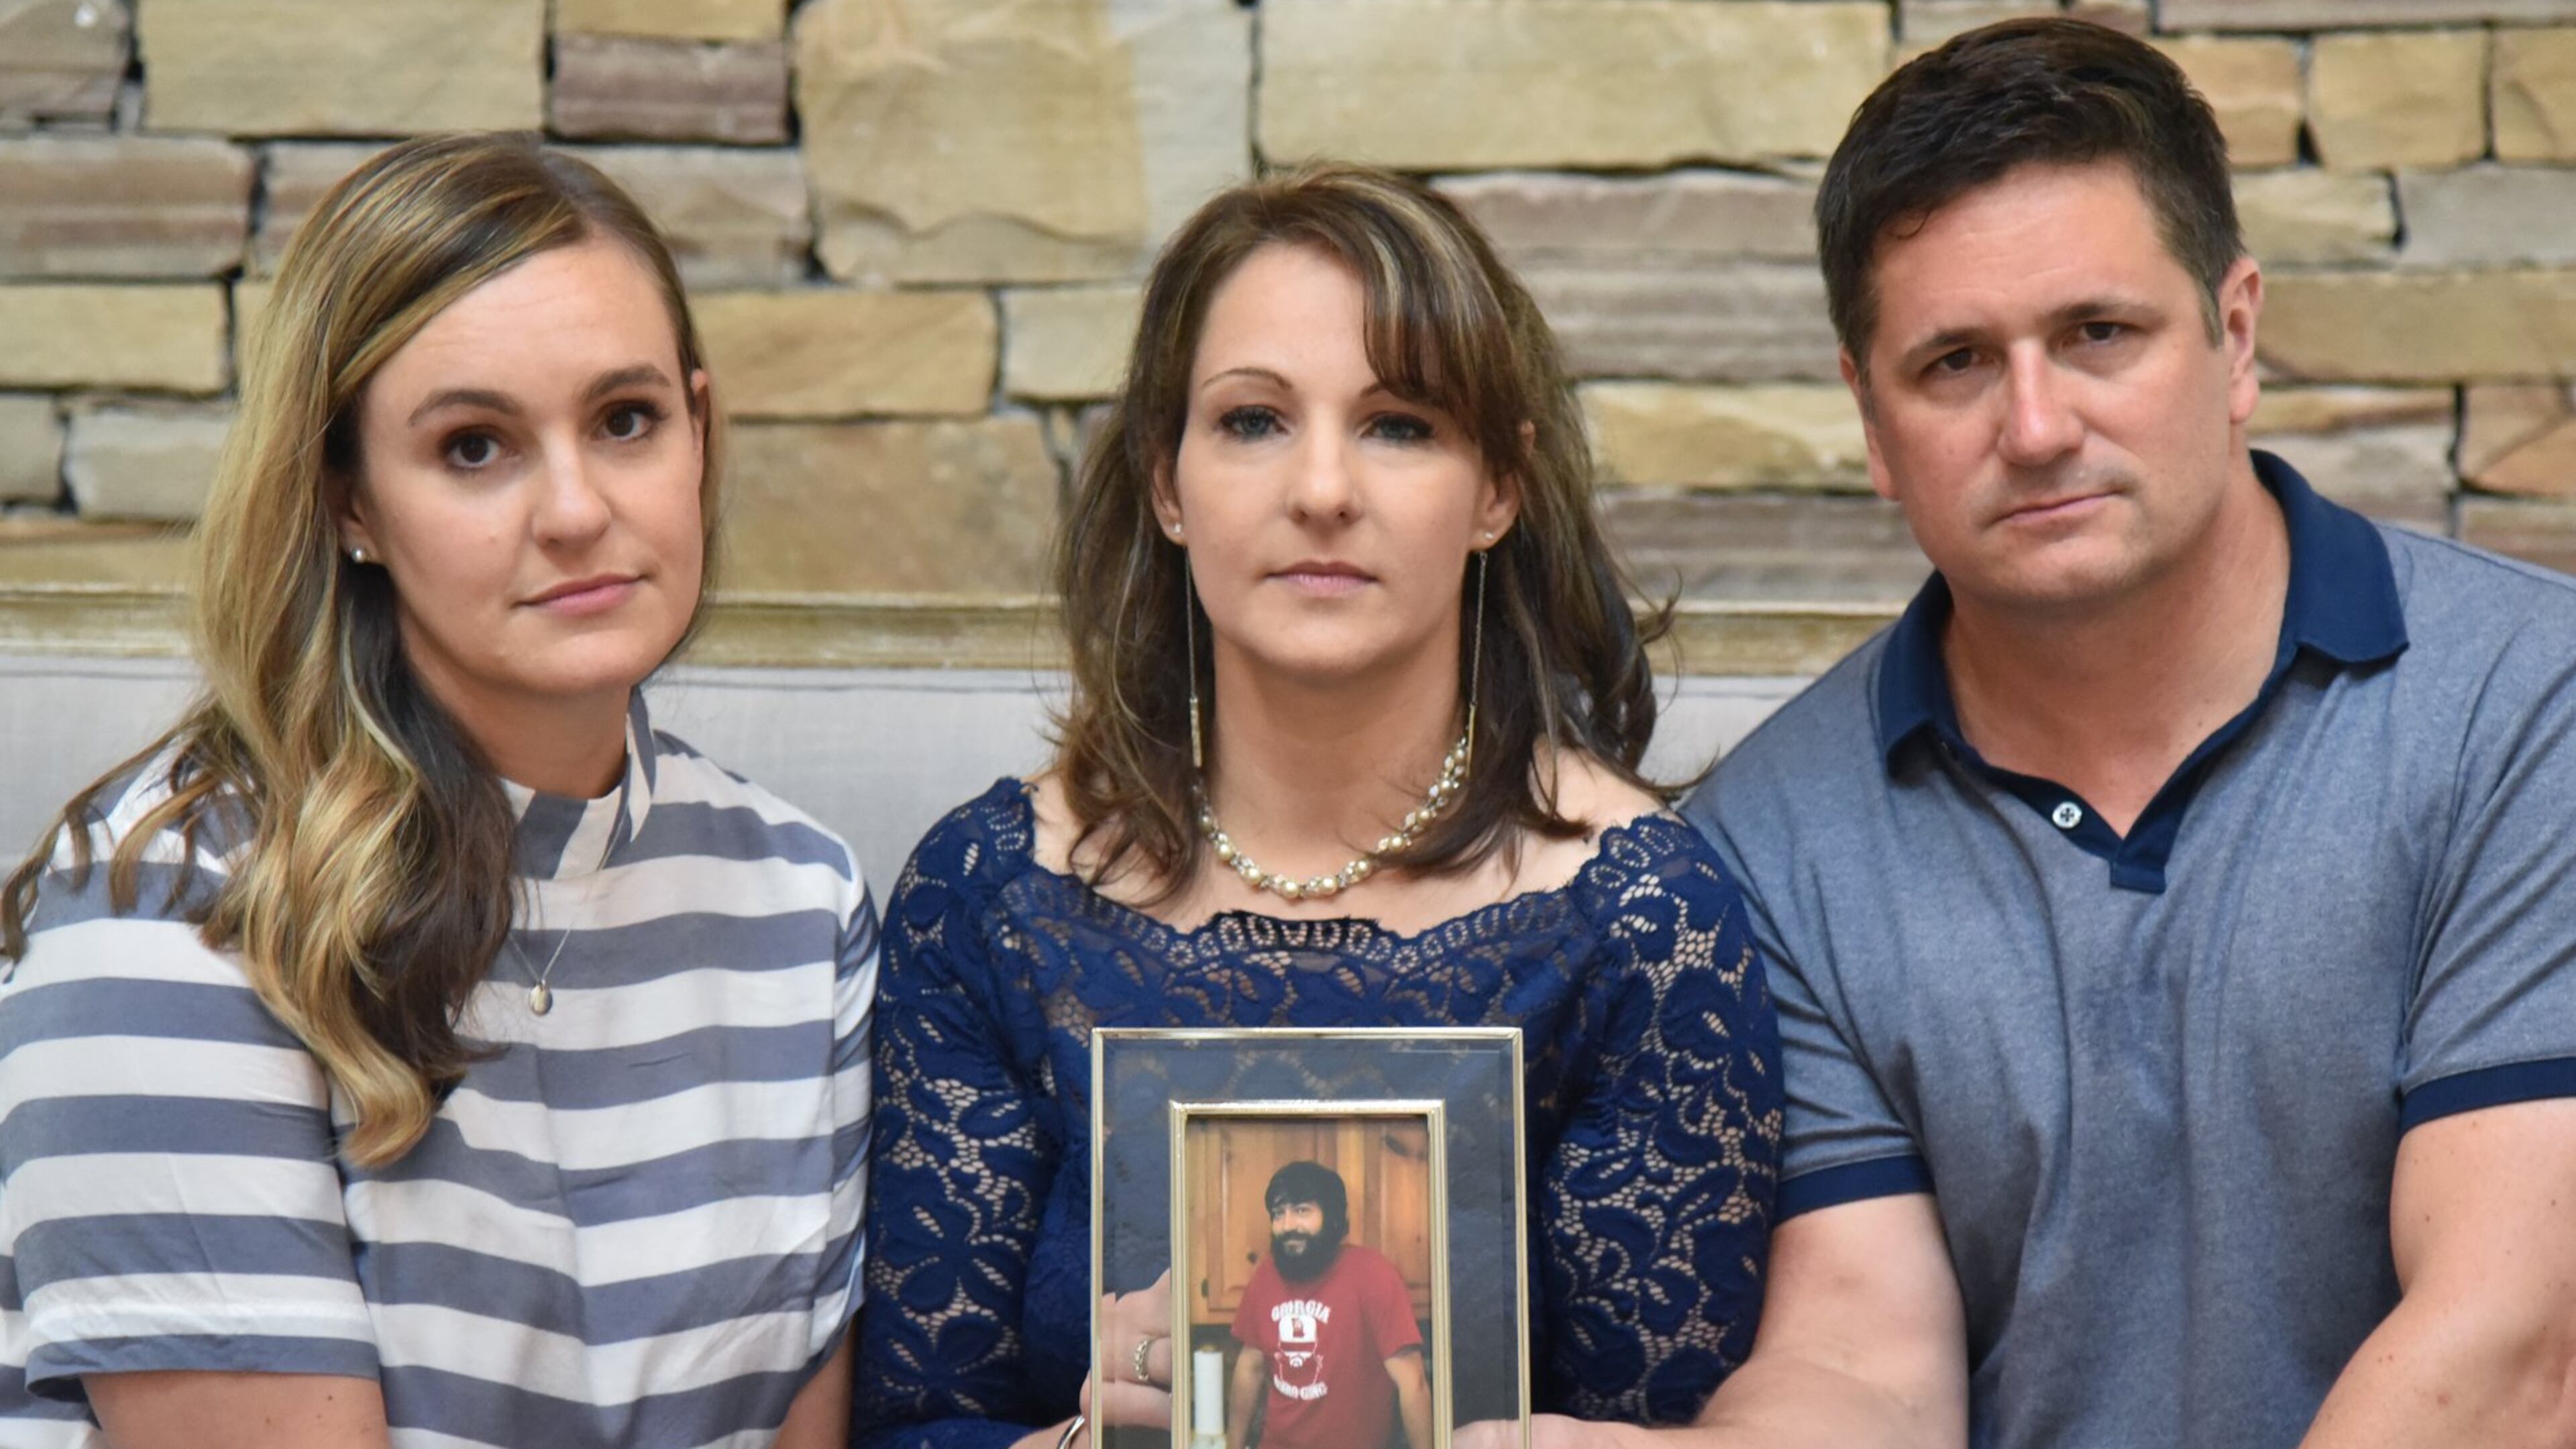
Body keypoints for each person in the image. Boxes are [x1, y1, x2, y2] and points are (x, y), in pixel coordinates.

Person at [1661, 17, 2576, 1449]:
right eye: (1956, 361)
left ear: (2235, 334)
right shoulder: (1767, 845)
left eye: (2098, 334)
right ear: (1872, 421)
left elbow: (2515, 1341)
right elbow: (1863, 1364)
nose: (2035, 427)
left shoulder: (2527, 704)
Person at [854, 164, 1780, 1449]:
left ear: (1497, 491)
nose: (1325, 490)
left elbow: (1662, 1416)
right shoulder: (988, 897)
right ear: (1167, 483)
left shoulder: (1646, 922)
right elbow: (913, 1422)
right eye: (1253, 421)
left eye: (1399, 424)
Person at [0, 135, 875, 1448]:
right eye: (476, 447)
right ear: (348, 501)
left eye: (625, 421)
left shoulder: (801, 902)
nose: (575, 509)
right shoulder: (160, 915)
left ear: (699, 431)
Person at [1226, 1163, 1430, 1449]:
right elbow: (1250, 1368)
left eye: (1302, 1211)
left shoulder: (1374, 1276)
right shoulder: (1265, 1276)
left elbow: (1413, 1384)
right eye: (1279, 1213)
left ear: (1333, 1218)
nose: (1288, 1225)